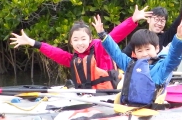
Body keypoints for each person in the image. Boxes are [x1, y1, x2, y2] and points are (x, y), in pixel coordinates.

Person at [9, 6, 150, 90]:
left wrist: (133, 20)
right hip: (88, 95)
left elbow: (116, 34)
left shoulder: (101, 47)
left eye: (83, 39)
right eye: (76, 40)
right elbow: (55, 52)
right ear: (71, 42)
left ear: (90, 39)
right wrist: (33, 42)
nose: (80, 43)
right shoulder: (74, 58)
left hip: (109, 92)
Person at [93, 13, 182, 108]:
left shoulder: (163, 67)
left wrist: (179, 36)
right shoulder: (130, 65)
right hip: (128, 107)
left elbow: (174, 56)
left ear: (157, 48)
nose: (144, 54)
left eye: (148, 49)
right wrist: (102, 35)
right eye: (139, 51)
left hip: (151, 109)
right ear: (134, 53)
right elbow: (116, 53)